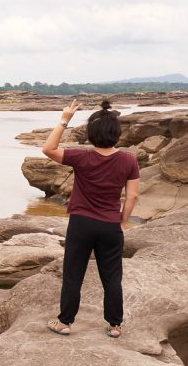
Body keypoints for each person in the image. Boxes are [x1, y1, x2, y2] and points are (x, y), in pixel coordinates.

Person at [41, 99, 140, 339]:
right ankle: (115, 325)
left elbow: (48, 149)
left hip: (81, 223)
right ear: (117, 133)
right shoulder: (129, 159)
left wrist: (65, 119)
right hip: (109, 225)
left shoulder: (81, 157)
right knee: (112, 277)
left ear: (91, 134)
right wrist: (123, 221)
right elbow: (133, 195)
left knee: (74, 274)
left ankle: (65, 322)